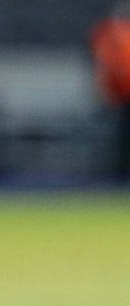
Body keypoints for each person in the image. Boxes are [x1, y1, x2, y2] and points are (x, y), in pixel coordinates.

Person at [92, 2, 130, 181]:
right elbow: (105, 64)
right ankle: (119, 174)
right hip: (120, 96)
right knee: (121, 138)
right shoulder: (111, 34)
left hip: (119, 94)